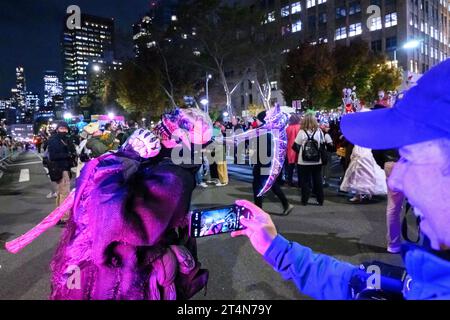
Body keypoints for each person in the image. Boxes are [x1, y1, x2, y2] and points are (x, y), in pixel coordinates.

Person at [232, 59, 450, 300]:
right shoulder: (433, 272)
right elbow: (358, 284)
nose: (397, 180)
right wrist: (276, 248)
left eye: (411, 159)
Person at [340, 107, 387, 203]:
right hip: (362, 152)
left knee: (362, 173)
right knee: (362, 173)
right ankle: (362, 194)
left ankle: (362, 194)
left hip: (363, 152)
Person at [252, 111, 293, 215]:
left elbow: (265, 150)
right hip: (267, 163)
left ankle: (259, 212)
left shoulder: (264, 132)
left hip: (264, 163)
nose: (255, 121)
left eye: (257, 119)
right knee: (271, 185)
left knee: (258, 187)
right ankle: (286, 204)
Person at [47, 121, 76, 223]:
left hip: (64, 168)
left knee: (60, 193)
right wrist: (68, 155)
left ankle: (58, 215)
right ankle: (64, 217)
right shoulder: (54, 140)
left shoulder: (65, 139)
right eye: (61, 129)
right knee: (64, 193)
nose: (64, 130)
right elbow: (53, 156)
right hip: (60, 168)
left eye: (65, 129)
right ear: (57, 129)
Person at [294, 112, 325, 206]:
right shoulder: (319, 131)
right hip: (317, 160)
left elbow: (296, 145)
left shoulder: (301, 132)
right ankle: (320, 200)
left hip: (303, 161)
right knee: (318, 180)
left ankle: (305, 200)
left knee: (305, 181)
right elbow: (323, 144)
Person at [285, 114, 301, 187]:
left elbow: (286, 139)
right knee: (300, 167)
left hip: (290, 149)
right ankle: (300, 181)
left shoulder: (288, 128)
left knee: (290, 167)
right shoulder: (300, 127)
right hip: (298, 149)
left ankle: (289, 181)